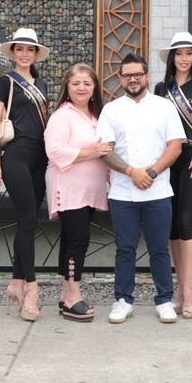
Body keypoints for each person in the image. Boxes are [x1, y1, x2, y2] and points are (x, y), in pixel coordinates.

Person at [97, 53, 186, 324]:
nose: (133, 79)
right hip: (123, 192)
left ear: (147, 76)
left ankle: (164, 300)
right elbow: (104, 150)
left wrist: (151, 172)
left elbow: (175, 146)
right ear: (120, 78)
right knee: (125, 248)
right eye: (127, 75)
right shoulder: (111, 109)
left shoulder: (164, 107)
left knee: (159, 247)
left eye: (138, 74)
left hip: (158, 191)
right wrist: (132, 172)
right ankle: (123, 300)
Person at [0, 27, 52, 322]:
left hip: (41, 157)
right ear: (12, 52)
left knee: (30, 220)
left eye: (30, 49)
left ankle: (15, 283)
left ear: (36, 53)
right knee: (27, 220)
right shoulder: (5, 82)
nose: (25, 54)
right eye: (20, 49)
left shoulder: (42, 84)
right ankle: (31, 288)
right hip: (14, 155)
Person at [153, 32, 192, 318]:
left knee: (186, 219)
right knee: (172, 225)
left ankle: (190, 290)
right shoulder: (160, 87)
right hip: (169, 159)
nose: (183, 58)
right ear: (172, 58)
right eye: (179, 54)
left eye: (188, 53)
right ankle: (179, 288)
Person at [43, 63, 112, 322]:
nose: (81, 87)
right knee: (78, 240)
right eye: (75, 83)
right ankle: (74, 295)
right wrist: (91, 153)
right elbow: (55, 151)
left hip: (90, 189)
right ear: (67, 88)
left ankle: (65, 294)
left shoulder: (97, 116)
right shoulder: (63, 115)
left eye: (87, 83)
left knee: (71, 238)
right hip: (68, 187)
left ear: (94, 88)